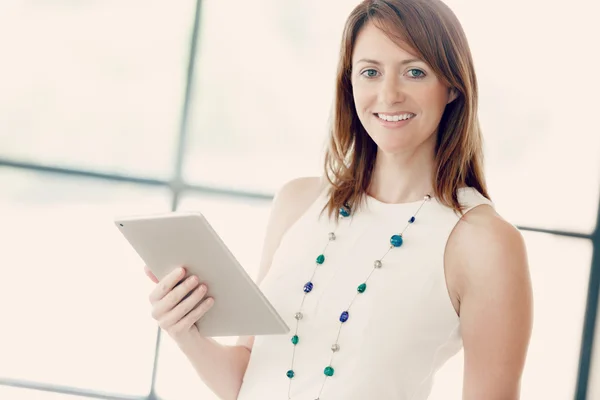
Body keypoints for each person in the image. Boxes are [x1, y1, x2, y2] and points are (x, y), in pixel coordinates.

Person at [144, 0, 534, 399]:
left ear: (452, 86)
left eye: (414, 72)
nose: (389, 94)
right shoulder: (298, 202)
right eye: (370, 72)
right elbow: (248, 378)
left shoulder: (484, 241)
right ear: (349, 83)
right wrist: (185, 332)